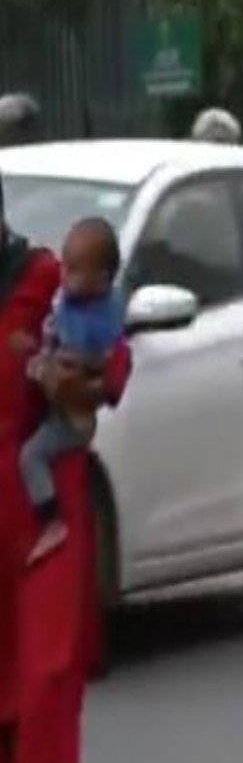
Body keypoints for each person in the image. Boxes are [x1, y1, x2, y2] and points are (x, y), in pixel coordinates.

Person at [0, 174, 131, 763]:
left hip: (42, 510)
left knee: (47, 691)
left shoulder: (49, 277)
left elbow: (112, 358)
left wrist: (82, 382)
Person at [16, 219, 124, 567]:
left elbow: (105, 364)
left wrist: (82, 379)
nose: (66, 276)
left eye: (75, 270)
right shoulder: (62, 300)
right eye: (67, 266)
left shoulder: (96, 316)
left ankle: (51, 520)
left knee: (32, 457)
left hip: (69, 422)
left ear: (103, 278)